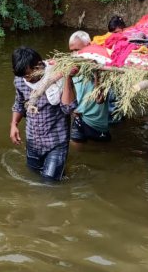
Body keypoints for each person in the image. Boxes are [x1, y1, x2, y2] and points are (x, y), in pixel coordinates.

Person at [10, 47, 77, 181]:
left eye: (29, 74)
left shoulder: (57, 74)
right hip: (33, 140)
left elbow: (68, 109)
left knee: (49, 182)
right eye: (24, 76)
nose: (27, 79)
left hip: (56, 142)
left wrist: (67, 77)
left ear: (39, 66)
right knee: (33, 175)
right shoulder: (19, 81)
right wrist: (14, 124)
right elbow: (19, 103)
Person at [68, 31, 111, 143]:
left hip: (97, 124)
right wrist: (73, 110)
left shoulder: (104, 67)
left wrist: (97, 72)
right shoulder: (72, 68)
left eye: (77, 50)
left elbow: (99, 99)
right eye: (71, 51)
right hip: (79, 119)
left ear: (88, 47)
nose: (74, 54)